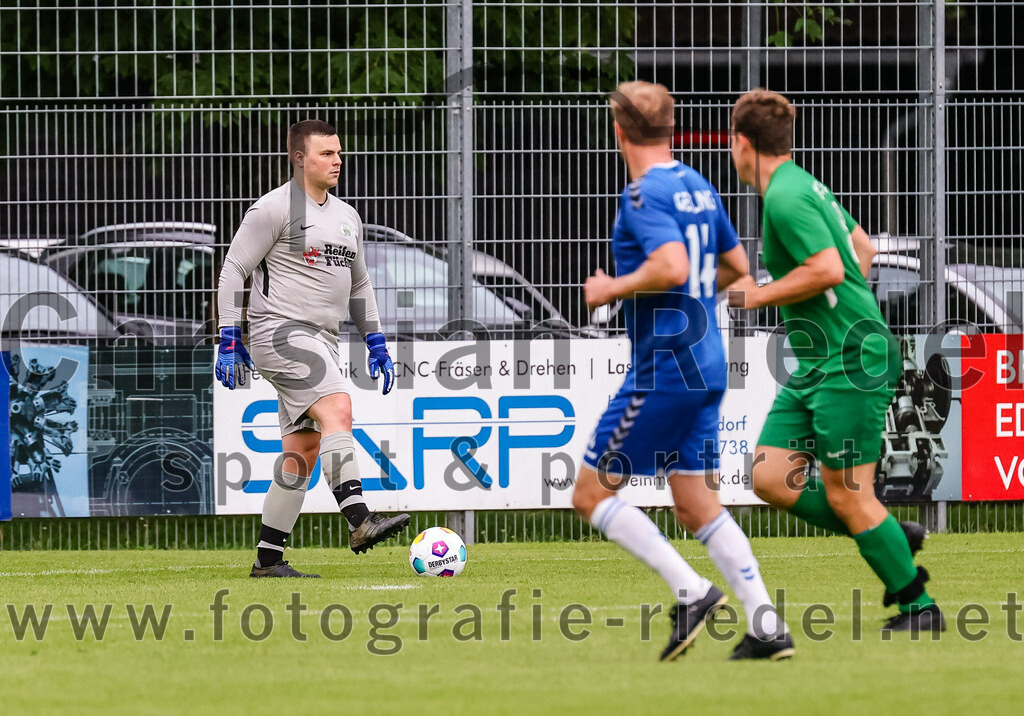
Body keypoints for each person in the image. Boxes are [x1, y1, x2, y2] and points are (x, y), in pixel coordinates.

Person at [573, 81, 794, 662]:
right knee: (696, 504)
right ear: (669, 129)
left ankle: (691, 592)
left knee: (590, 494)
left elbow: (670, 265)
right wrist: (694, 290)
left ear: (618, 131)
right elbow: (739, 270)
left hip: (665, 368)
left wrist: (610, 289)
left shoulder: (643, 194)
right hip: (707, 362)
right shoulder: (697, 184)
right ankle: (768, 627)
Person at [726, 88, 945, 632]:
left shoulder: (784, 197)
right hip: (822, 361)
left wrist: (756, 294)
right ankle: (884, 533)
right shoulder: (806, 186)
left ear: (742, 143)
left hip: (852, 361)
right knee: (770, 476)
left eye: (730, 143)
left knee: (849, 494)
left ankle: (920, 608)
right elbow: (863, 248)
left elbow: (826, 267)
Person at [215, 119, 410, 578]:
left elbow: (358, 282)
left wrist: (375, 340)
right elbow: (233, 270)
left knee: (302, 449)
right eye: (326, 153)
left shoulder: (347, 216)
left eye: (339, 152)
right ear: (300, 158)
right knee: (338, 408)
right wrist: (228, 338)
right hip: (279, 332)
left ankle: (268, 560)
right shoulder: (273, 208)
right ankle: (360, 519)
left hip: (321, 338)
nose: (337, 160)